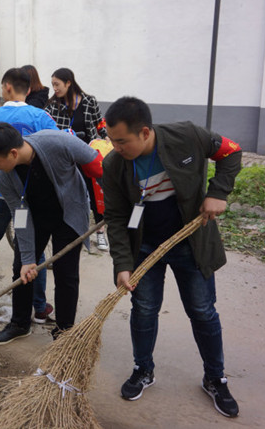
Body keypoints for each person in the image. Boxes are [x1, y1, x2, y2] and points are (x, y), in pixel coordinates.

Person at [102, 96, 241, 417]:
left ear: (146, 133)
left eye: (122, 141)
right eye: (112, 141)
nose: (116, 148)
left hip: (190, 243)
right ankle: (143, 369)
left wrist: (218, 192)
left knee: (203, 311)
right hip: (145, 248)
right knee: (145, 309)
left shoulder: (188, 136)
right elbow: (116, 218)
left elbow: (232, 152)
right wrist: (123, 264)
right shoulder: (114, 165)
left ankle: (215, 377)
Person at [0, 122, 102, 344]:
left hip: (68, 213)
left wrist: (114, 197)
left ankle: (65, 331)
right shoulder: (2, 174)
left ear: (13, 153)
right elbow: (19, 213)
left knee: (66, 273)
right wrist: (27, 259)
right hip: (35, 217)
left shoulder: (55, 142)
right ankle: (20, 323)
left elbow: (96, 160)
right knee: (21, 267)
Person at [0, 68, 58, 327]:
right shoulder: (40, 116)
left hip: (0, 193)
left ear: (6, 87)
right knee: (33, 250)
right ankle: (40, 307)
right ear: (28, 90)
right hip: (30, 198)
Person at [46, 67, 109, 251]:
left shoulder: (89, 101)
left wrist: (105, 136)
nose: (55, 89)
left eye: (57, 85)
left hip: (88, 155)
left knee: (95, 194)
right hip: (66, 158)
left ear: (68, 83)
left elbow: (99, 122)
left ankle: (100, 232)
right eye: (52, 85)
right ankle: (72, 232)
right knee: (68, 195)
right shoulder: (52, 105)